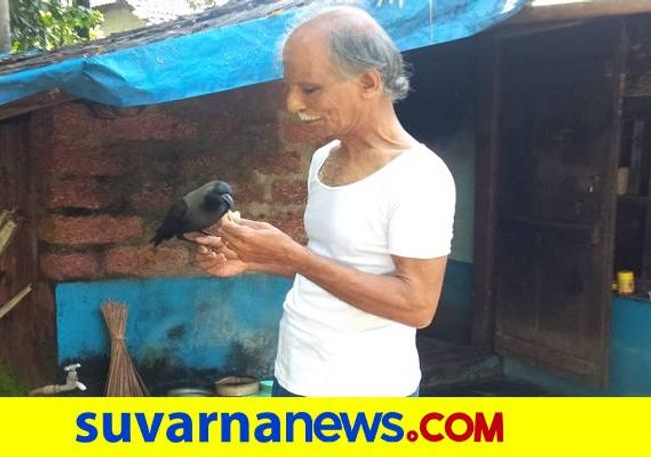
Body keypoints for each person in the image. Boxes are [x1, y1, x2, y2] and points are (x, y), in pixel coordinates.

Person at [192, 6, 455, 397]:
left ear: (368, 82)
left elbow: (417, 307)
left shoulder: (419, 177)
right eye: (290, 87)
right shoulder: (323, 158)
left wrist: (294, 256)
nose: (293, 104)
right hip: (296, 373)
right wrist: (254, 259)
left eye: (310, 89)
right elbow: (332, 264)